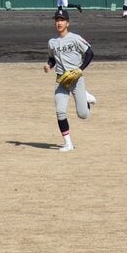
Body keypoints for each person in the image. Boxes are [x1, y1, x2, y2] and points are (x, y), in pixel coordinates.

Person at [44, 9, 95, 152]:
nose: (59, 23)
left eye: (62, 20)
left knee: (83, 115)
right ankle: (68, 144)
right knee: (60, 112)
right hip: (61, 81)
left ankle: (84, 97)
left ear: (68, 23)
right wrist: (49, 65)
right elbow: (52, 58)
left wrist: (80, 69)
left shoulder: (75, 38)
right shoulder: (52, 42)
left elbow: (90, 53)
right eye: (57, 20)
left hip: (76, 79)